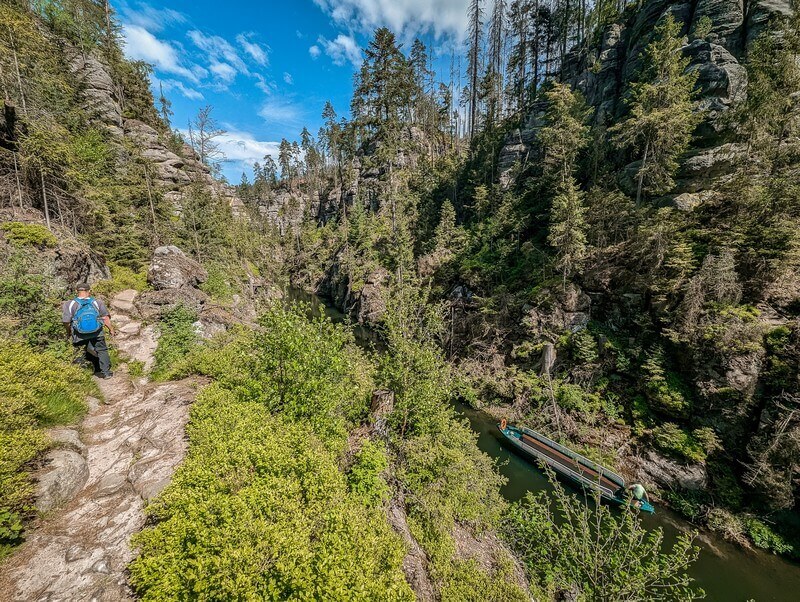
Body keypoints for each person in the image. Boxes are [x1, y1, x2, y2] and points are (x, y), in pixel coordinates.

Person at [62, 282, 115, 378]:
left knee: (80, 351)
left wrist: (68, 332)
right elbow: (105, 318)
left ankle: (82, 374)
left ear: (76, 291)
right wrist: (111, 329)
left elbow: (66, 321)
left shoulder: (70, 304)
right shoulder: (97, 302)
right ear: (89, 291)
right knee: (102, 350)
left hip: (79, 334)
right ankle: (106, 372)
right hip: (97, 332)